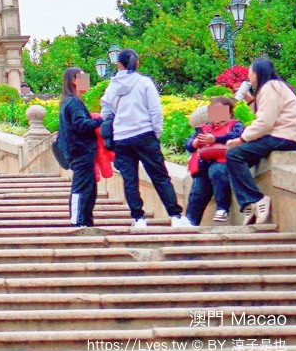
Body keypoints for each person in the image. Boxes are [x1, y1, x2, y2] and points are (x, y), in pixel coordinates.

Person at [100, 49, 191, 229]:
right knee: (160, 176)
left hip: (121, 138)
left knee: (130, 179)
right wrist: (155, 133)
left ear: (119, 65)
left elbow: (105, 112)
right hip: (144, 134)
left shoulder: (112, 87)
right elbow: (155, 111)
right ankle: (175, 215)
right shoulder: (144, 82)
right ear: (136, 63)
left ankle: (139, 219)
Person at [226, 57, 296, 225]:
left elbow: (265, 122)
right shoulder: (274, 87)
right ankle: (249, 203)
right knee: (236, 164)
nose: (249, 76)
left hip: (281, 136)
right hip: (285, 135)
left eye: (250, 72)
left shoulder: (269, 87)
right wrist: (251, 101)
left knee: (234, 155)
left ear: (257, 72)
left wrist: (241, 139)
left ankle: (256, 199)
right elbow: (266, 115)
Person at [184, 97, 243, 225]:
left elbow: (237, 135)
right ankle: (190, 222)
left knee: (217, 173)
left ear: (230, 113)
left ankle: (222, 208)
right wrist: (195, 142)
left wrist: (215, 139)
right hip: (203, 166)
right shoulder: (205, 128)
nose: (218, 119)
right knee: (197, 193)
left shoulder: (235, 124)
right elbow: (188, 143)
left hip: (222, 162)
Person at [58, 67, 101, 227]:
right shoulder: (74, 102)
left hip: (81, 152)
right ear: (74, 80)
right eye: (83, 77)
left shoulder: (69, 101)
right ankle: (77, 221)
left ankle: (85, 221)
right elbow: (81, 125)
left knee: (89, 187)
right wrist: (100, 121)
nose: (86, 80)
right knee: (82, 186)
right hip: (81, 151)